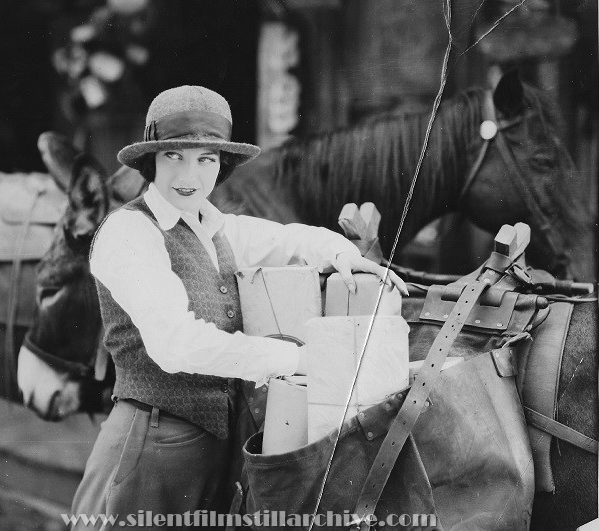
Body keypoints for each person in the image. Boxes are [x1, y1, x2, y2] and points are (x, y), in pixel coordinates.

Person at [70, 85, 407, 527]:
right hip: (151, 448)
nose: (190, 173)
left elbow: (291, 239)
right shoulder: (129, 232)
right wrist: (300, 358)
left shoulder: (216, 228)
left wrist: (345, 256)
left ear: (221, 165)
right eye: (174, 156)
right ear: (150, 160)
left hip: (217, 450)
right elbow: (177, 344)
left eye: (206, 159)